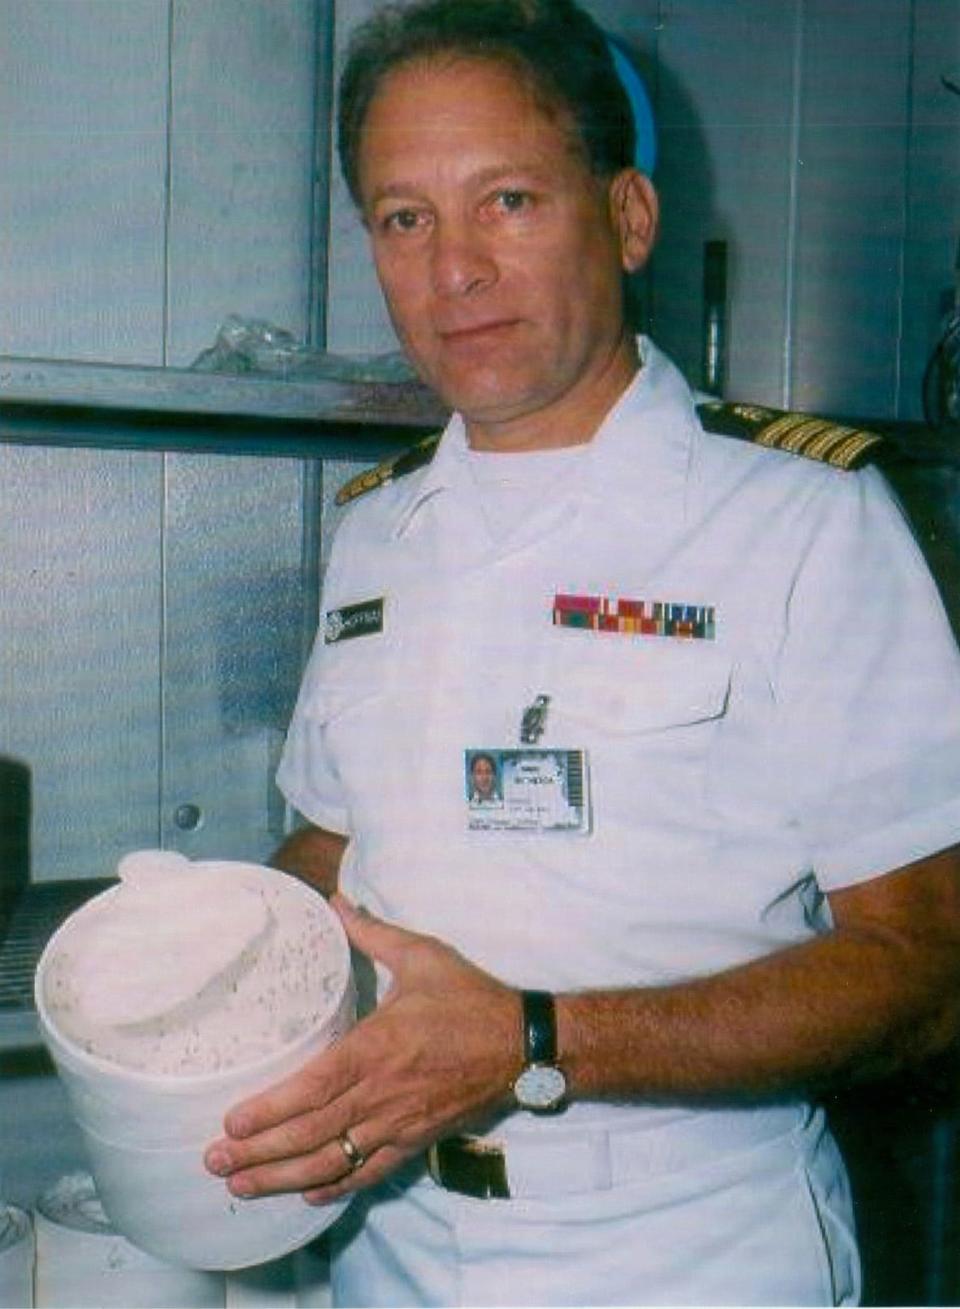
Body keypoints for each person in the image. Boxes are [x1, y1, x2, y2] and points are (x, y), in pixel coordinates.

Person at [203, 1, 960, 1303]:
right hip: (387, 1245)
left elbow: (930, 968)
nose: (454, 272)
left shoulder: (804, 523)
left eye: (506, 200)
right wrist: (214, 961)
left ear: (628, 218)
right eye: (404, 217)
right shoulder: (378, 531)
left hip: (688, 1249)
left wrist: (534, 1042)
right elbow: (333, 845)